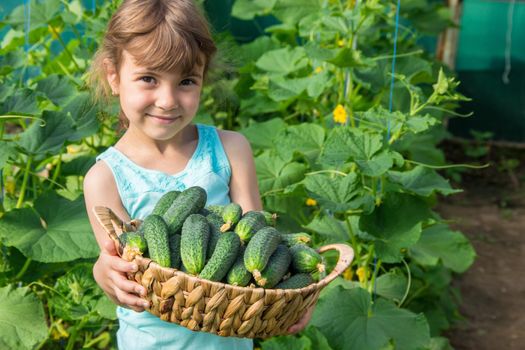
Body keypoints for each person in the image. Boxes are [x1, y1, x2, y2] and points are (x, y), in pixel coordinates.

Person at [83, 0, 314, 349]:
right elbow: (116, 264)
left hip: (230, 339)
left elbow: (258, 236)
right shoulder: (104, 178)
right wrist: (103, 272)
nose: (167, 100)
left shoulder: (232, 150)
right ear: (113, 76)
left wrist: (294, 293)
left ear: (204, 78)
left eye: (186, 81)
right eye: (148, 78)